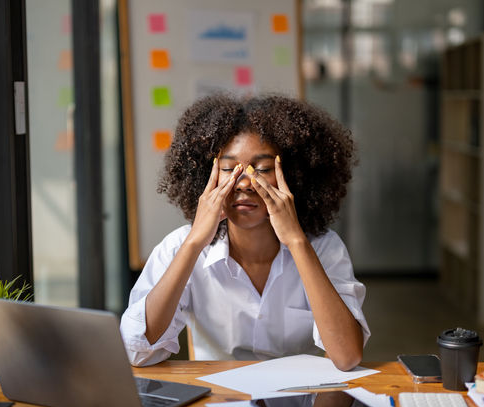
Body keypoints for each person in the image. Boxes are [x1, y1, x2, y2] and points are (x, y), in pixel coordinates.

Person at [120, 93, 370, 371]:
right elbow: (137, 351)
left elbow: (347, 356)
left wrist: (296, 241)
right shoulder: (180, 245)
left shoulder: (324, 247)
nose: (244, 183)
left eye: (262, 168)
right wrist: (193, 244)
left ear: (295, 175)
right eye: (229, 168)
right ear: (206, 177)